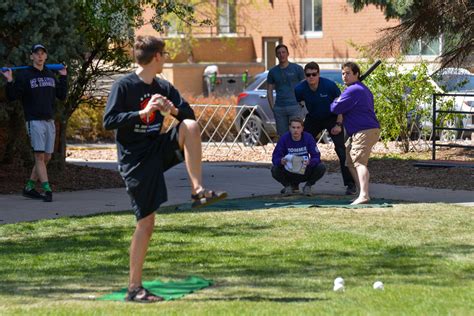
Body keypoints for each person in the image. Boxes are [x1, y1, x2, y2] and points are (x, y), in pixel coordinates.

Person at [103, 35, 227, 302]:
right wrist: (142, 112)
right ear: (156, 56)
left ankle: (198, 190)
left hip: (157, 148)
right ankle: (134, 289)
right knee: (146, 223)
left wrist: (172, 110)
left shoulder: (163, 85)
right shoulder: (124, 86)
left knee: (190, 127)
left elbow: (189, 117)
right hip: (136, 161)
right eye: (164, 55)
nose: (166, 59)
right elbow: (109, 121)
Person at [1, 44, 68, 202]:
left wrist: (64, 76)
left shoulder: (50, 74)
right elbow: (12, 96)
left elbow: (62, 95)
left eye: (42, 53)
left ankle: (29, 187)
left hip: (49, 120)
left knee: (47, 157)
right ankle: (47, 189)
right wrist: (10, 80)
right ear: (31, 57)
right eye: (36, 54)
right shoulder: (25, 75)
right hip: (34, 120)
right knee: (39, 156)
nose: (39, 56)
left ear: (45, 57)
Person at [294, 62, 356, 195]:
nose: (311, 77)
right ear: (305, 76)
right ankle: (294, 183)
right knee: (300, 145)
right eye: (308, 75)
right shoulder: (300, 88)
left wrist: (338, 124)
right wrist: (300, 123)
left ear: (318, 74)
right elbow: (299, 105)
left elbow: (341, 106)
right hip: (313, 118)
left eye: (314, 74)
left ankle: (350, 184)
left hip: (332, 117)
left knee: (340, 149)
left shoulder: (329, 86)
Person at [330, 62, 381, 205]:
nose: (344, 76)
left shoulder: (353, 90)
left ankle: (364, 195)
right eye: (343, 73)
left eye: (348, 73)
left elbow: (334, 108)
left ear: (356, 74)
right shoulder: (360, 89)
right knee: (350, 162)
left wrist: (336, 100)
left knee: (359, 162)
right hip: (361, 131)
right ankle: (362, 193)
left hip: (365, 130)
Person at [271, 117, 326, 196]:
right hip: (289, 170)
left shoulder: (308, 137)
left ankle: (308, 186)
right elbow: (275, 157)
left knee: (321, 167)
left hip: (304, 170)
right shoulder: (284, 138)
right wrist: (281, 161)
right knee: (274, 169)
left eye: (298, 127)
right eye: (293, 127)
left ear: (302, 128)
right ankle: (288, 187)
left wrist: (310, 162)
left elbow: (316, 156)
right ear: (289, 128)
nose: (295, 130)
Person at [267, 44, 305, 136]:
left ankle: (296, 150)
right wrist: (273, 107)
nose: (281, 55)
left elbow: (305, 86)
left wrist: (302, 102)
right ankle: (285, 151)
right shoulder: (273, 72)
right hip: (280, 108)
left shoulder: (297, 68)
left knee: (296, 134)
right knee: (283, 137)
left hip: (295, 107)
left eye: (283, 52)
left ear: (288, 53)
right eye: (279, 53)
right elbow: (269, 90)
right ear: (276, 55)